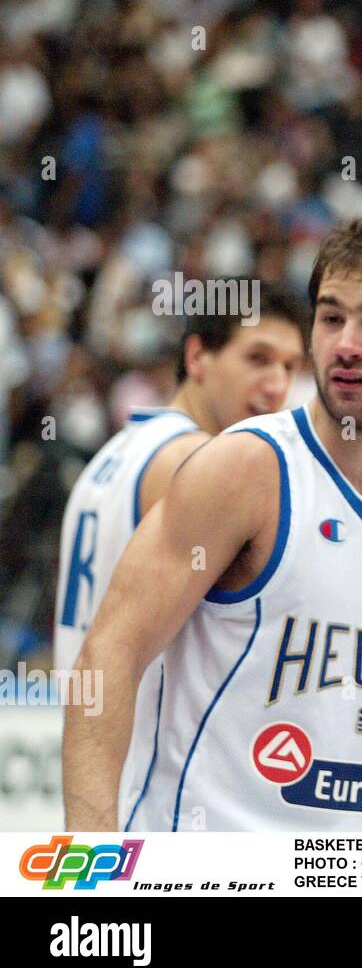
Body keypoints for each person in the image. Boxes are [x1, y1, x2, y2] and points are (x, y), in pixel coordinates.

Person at [63, 216, 362, 831]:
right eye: (330, 318)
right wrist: (90, 862)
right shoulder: (247, 467)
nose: (347, 343)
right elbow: (108, 654)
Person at [54, 281, 308, 828]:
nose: (276, 385)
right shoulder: (197, 464)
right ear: (197, 356)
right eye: (258, 359)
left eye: (290, 367)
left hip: (96, 775)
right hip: (146, 792)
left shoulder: (112, 455)